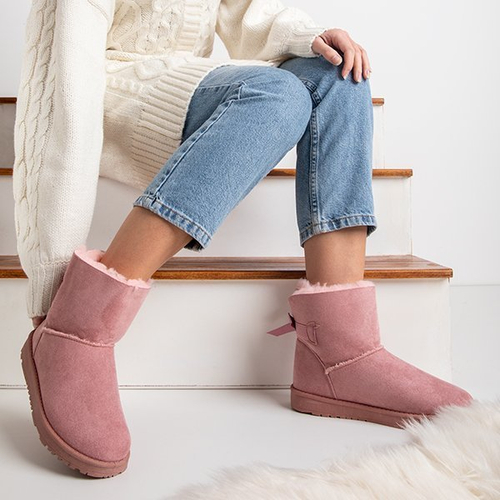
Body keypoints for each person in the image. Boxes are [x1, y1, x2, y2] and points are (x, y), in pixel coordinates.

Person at [13, 0, 473, 479]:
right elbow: (62, 96)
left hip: (191, 84)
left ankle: (342, 351)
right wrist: (51, 293)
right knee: (278, 93)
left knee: (339, 73)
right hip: (105, 92)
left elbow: (248, 13)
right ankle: (79, 327)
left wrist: (308, 37)